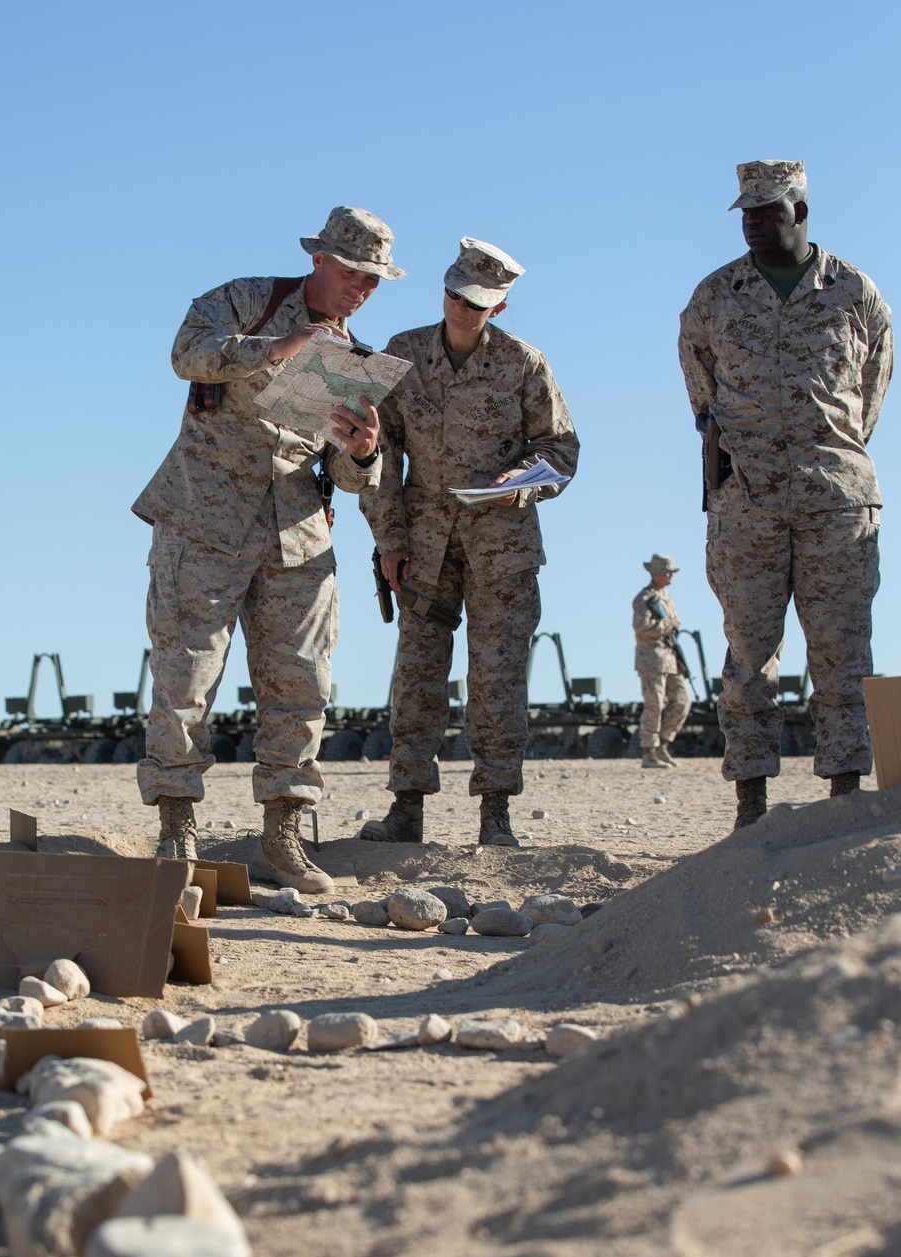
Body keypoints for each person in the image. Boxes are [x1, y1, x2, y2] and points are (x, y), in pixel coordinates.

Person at [132, 206, 403, 890]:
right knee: (185, 674)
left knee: (301, 682)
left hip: (296, 531)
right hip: (204, 517)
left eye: (374, 281)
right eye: (353, 273)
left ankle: (282, 834)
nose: (362, 289)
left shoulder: (354, 361)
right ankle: (176, 829)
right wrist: (275, 349)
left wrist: (364, 453)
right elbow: (184, 354)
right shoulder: (244, 300)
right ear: (319, 259)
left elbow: (344, 472)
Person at [678, 160, 893, 828]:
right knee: (748, 652)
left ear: (800, 211)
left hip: (838, 500)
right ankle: (751, 804)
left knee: (845, 651)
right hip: (748, 504)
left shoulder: (856, 292)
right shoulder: (715, 296)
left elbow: (873, 388)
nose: (752, 222)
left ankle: (848, 798)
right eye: (745, 210)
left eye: (767, 210)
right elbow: (701, 393)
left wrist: (824, 449)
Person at [358, 237, 579, 847]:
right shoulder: (401, 356)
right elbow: (379, 455)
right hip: (423, 543)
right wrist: (389, 540)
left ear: (498, 309)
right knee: (417, 673)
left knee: (498, 675)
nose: (462, 309)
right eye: (455, 296)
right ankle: (407, 807)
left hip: (502, 544)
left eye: (476, 304)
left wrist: (524, 484)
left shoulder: (525, 364)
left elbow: (561, 452)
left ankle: (495, 812)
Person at [632, 554, 691, 768]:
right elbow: (641, 627)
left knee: (683, 701)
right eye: (667, 572)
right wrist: (669, 625)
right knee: (654, 705)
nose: (671, 575)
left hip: (671, 658)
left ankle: (662, 745)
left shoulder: (667, 597)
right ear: (655, 574)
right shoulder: (644, 598)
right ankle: (649, 753)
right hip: (651, 659)